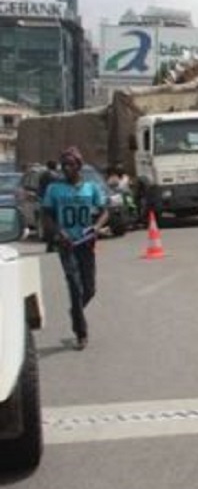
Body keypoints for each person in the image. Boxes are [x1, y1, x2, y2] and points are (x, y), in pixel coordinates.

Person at [41, 147, 108, 351]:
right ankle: (81, 332)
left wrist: (96, 227)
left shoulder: (91, 187)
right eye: (64, 166)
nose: (66, 169)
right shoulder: (54, 189)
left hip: (86, 244)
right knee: (73, 285)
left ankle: (75, 312)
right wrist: (59, 232)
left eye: (70, 165)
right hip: (67, 245)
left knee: (89, 289)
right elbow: (46, 216)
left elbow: (105, 211)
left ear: (79, 166)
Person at [37, 160, 61, 252]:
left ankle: (50, 245)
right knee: (56, 223)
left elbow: (40, 189)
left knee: (48, 224)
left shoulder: (43, 176)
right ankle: (54, 244)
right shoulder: (57, 176)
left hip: (45, 202)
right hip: (56, 202)